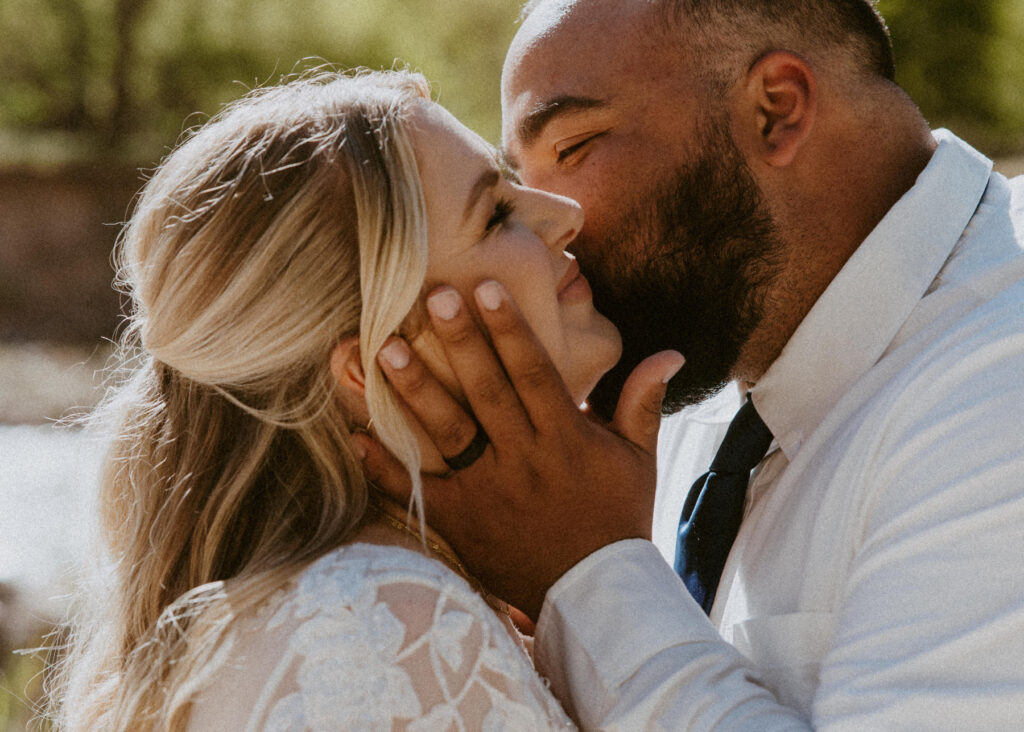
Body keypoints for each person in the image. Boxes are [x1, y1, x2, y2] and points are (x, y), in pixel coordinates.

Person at [360, 0, 1024, 728]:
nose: (556, 219)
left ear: (777, 109)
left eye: (573, 146)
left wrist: (587, 576)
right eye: (513, 184)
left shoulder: (998, 391)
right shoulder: (686, 364)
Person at [51, 69, 675, 730]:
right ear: (372, 364)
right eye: (495, 214)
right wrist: (605, 570)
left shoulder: (335, 606)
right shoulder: (390, 624)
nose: (564, 215)